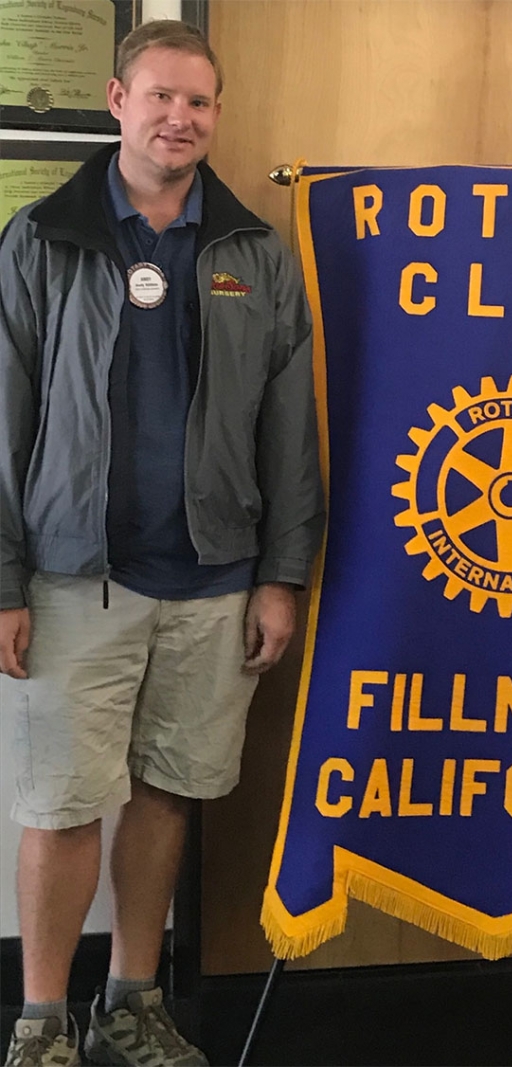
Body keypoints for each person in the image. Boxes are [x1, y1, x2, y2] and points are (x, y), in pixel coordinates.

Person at [0, 19, 324, 1067]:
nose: (179, 118)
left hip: (212, 579)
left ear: (214, 114)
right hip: (71, 575)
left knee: (165, 789)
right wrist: (2, 578)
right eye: (161, 97)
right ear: (116, 99)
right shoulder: (44, 238)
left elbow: (290, 428)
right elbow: (1, 419)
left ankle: (132, 1000)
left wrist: (281, 575)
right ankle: (44, 1015)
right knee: (58, 803)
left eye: (198, 102)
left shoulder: (252, 251)